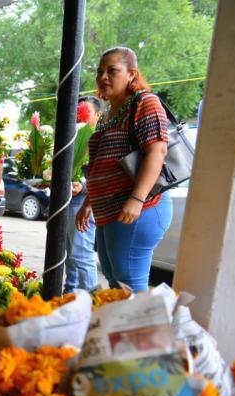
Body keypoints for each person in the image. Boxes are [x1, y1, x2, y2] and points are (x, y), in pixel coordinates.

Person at [76, 47, 172, 293]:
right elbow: (101, 163)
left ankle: (141, 331)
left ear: (132, 74)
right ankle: (121, 331)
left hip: (139, 207)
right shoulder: (109, 114)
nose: (103, 77)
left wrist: (136, 198)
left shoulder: (144, 102)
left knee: (129, 284)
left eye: (112, 70)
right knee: (114, 280)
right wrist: (89, 202)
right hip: (110, 211)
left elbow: (157, 152)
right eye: (100, 72)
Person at [63, 96, 101, 293]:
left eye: (85, 112)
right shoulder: (72, 138)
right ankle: (69, 296)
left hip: (84, 203)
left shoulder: (98, 139)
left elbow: (102, 175)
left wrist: (83, 187)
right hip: (68, 202)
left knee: (81, 255)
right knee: (70, 255)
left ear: (98, 115)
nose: (80, 117)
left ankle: (92, 302)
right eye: (77, 113)